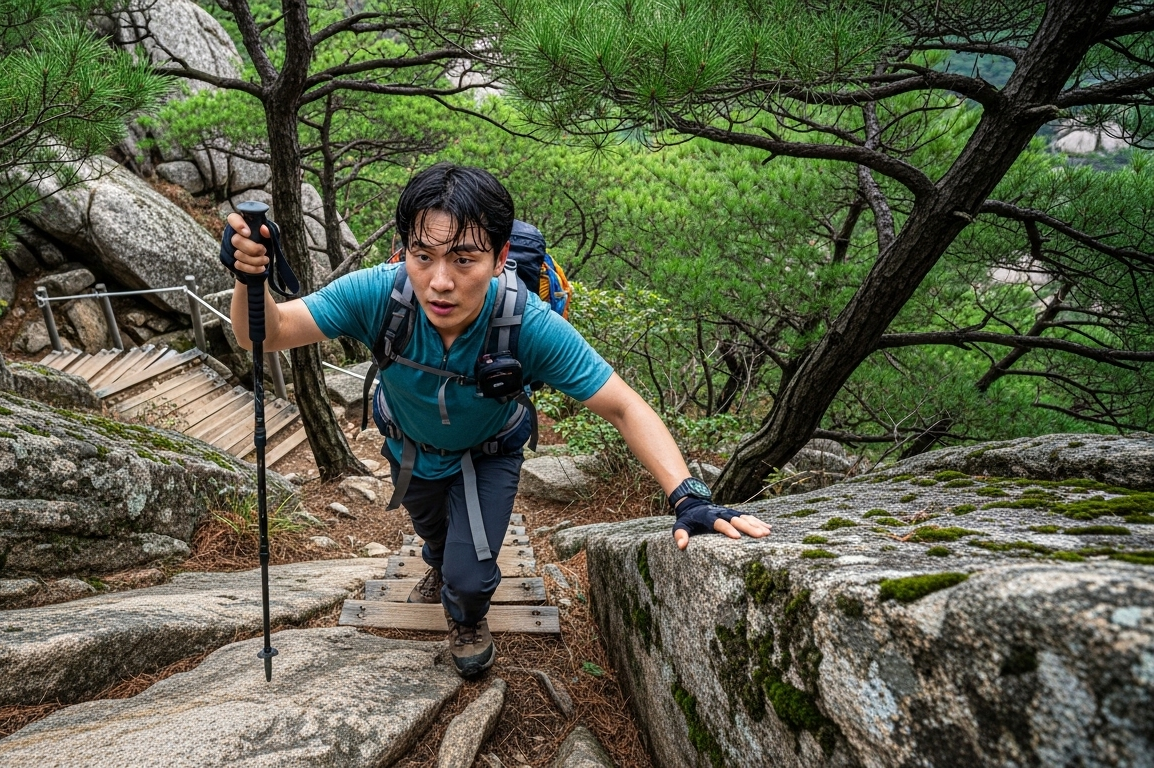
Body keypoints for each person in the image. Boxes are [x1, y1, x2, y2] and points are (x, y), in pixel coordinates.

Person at [223, 163, 772, 677]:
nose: (440, 281)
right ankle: (438, 561)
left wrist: (689, 495)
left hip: (489, 454)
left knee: (470, 575)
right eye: (423, 256)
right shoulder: (378, 294)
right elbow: (265, 333)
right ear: (402, 251)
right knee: (430, 530)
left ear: (500, 256)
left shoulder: (525, 323)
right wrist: (250, 277)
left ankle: (466, 614)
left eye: (464, 259)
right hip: (410, 449)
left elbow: (625, 405)